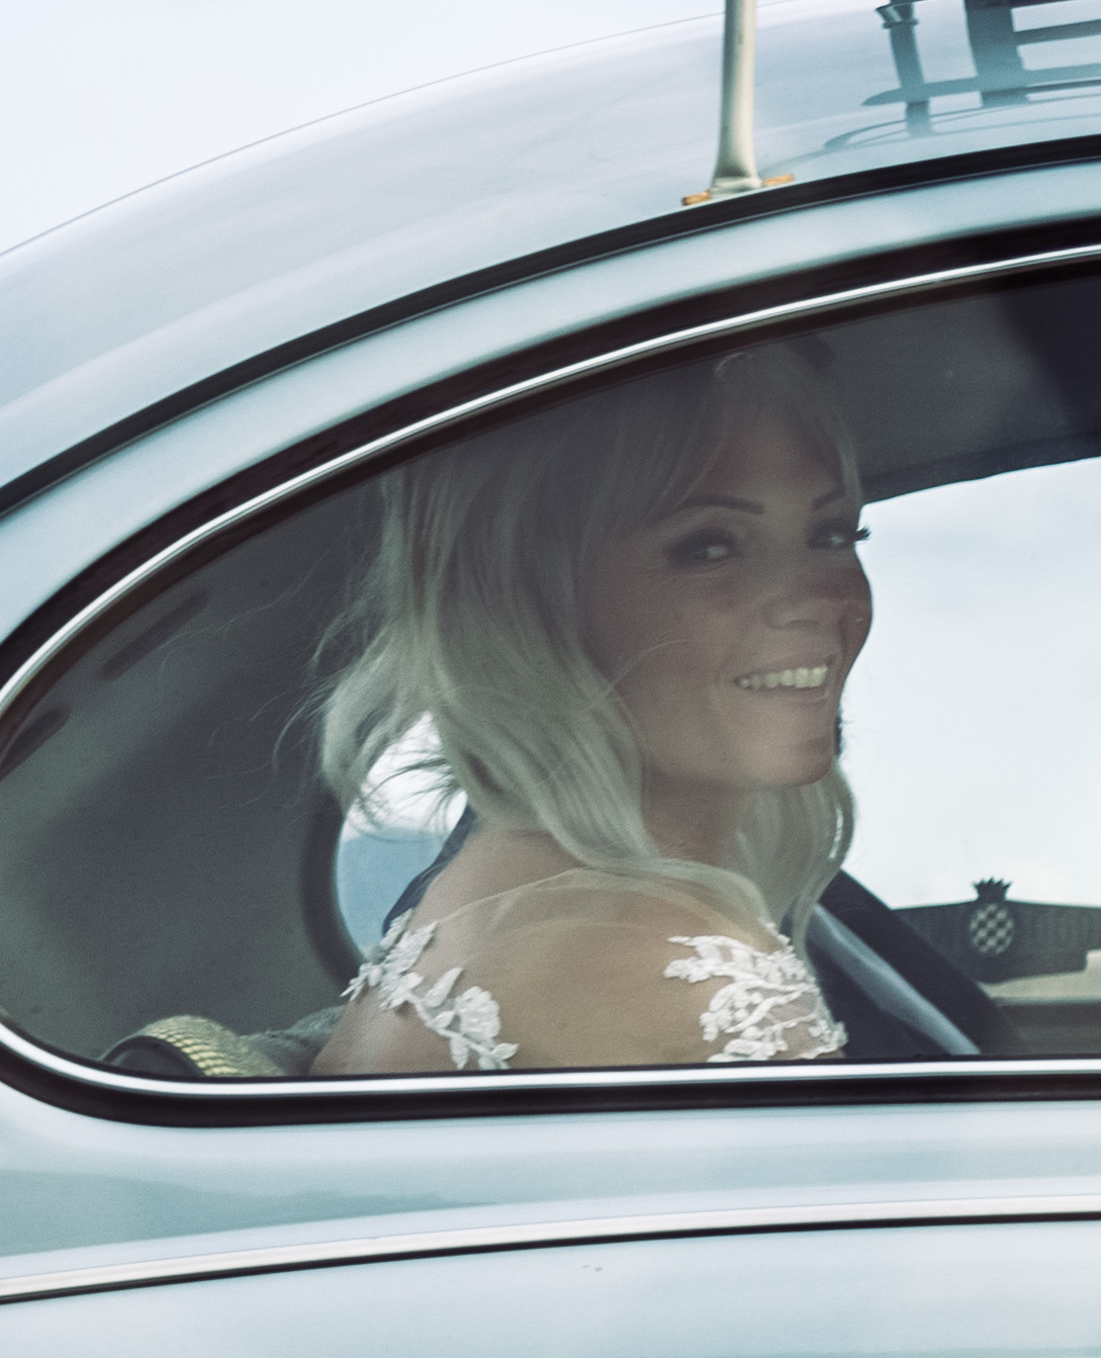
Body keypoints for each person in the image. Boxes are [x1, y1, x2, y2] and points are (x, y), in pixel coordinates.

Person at [309, 348, 868, 1073]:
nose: (820, 599)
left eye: (832, 534)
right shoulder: (649, 961)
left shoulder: (527, 886)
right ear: (541, 604)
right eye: (710, 547)